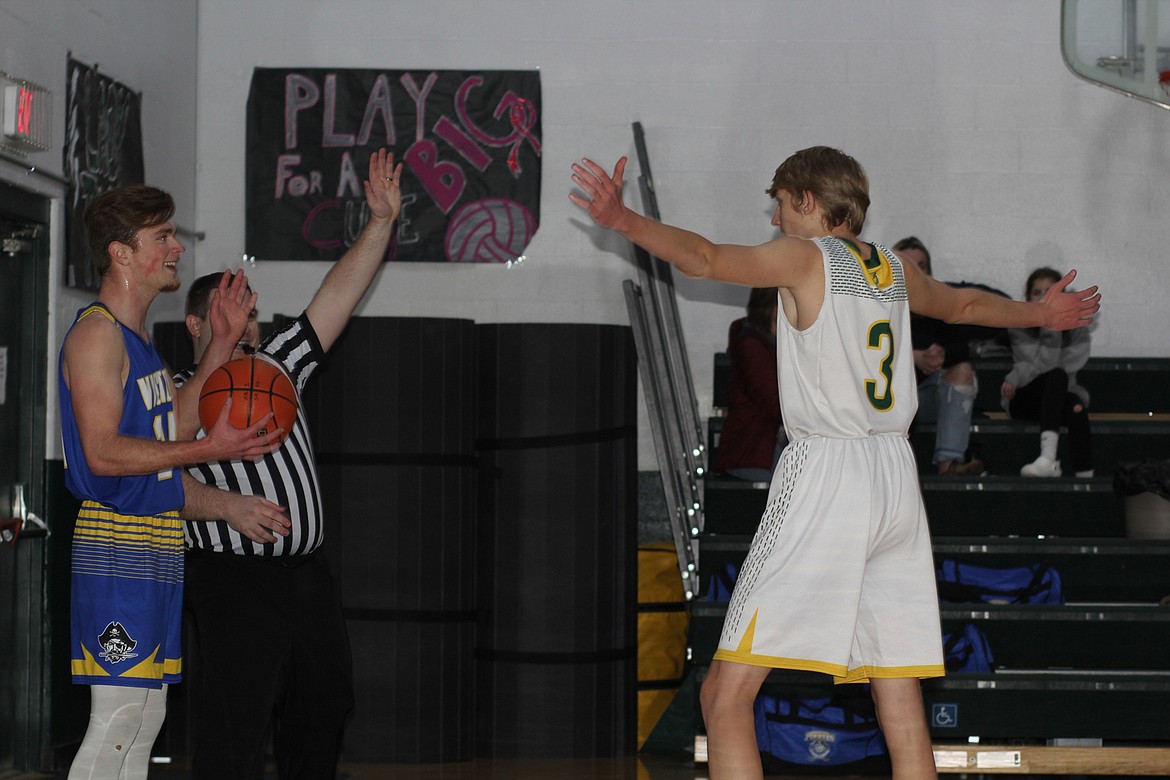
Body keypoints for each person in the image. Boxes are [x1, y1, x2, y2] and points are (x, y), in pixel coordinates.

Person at [569, 146, 1099, 779]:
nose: (775, 218)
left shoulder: (805, 257)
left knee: (724, 695)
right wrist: (1041, 312)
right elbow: (962, 306)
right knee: (897, 695)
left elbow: (706, 258)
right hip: (896, 480)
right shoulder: (893, 269)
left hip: (828, 475)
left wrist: (623, 220)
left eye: (781, 205)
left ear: (810, 202)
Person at [175, 147, 403, 779]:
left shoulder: (279, 364)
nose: (244, 322)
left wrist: (379, 223)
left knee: (326, 704)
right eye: (227, 313)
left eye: (249, 312)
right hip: (231, 575)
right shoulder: (171, 389)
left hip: (307, 575)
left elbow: (336, 295)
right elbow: (162, 459)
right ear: (197, 321)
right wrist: (226, 506)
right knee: (237, 723)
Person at [58, 185, 283, 779]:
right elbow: (102, 452)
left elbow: (176, 420)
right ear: (122, 253)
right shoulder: (96, 334)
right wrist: (209, 448)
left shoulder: (142, 345)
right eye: (162, 236)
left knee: (145, 717)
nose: (177, 247)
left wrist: (225, 340)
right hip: (117, 543)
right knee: (117, 718)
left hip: (156, 542)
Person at [894, 236, 999, 476]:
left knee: (962, 370)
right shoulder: (877, 305)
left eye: (919, 267)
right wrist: (913, 357)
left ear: (928, 272)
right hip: (886, 402)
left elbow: (960, 349)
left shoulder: (937, 305)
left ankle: (949, 464)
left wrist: (939, 356)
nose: (913, 273)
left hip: (924, 400)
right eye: (906, 266)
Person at [1001, 266, 1095, 478]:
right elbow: (1045, 367)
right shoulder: (1017, 325)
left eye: (1050, 292)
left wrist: (1056, 323)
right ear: (1028, 298)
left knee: (1076, 407)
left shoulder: (1078, 328)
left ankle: (1085, 478)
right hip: (1024, 396)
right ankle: (1048, 458)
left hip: (1061, 396)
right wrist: (1051, 324)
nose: (1044, 298)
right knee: (1057, 376)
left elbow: (1068, 365)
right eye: (1037, 293)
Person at [713, 287, 784, 482]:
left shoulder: (770, 342)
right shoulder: (751, 345)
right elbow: (775, 402)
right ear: (772, 307)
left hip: (762, 448)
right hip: (753, 453)